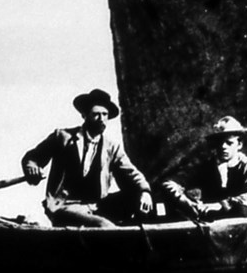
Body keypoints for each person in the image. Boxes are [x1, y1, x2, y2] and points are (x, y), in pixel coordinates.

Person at [22, 89, 153, 227]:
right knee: (104, 226)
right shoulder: (62, 137)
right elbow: (32, 158)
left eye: (105, 114)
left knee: (138, 198)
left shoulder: (112, 147)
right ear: (84, 115)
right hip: (65, 206)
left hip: (97, 206)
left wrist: (144, 192)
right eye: (96, 114)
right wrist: (32, 168)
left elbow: (132, 173)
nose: (101, 119)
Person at [160, 116, 247, 221]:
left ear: (239, 144)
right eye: (219, 142)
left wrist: (222, 204)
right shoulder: (205, 166)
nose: (223, 146)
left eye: (229, 143)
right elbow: (169, 183)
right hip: (211, 222)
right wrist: (186, 202)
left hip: (241, 222)